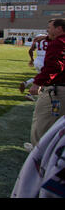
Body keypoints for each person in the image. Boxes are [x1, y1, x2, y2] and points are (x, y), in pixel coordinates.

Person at [28, 18, 65, 147]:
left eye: (50, 28)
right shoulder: (58, 41)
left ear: (59, 29)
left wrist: (38, 82)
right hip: (60, 90)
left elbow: (54, 66)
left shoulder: (58, 44)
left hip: (57, 91)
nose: (47, 30)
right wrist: (48, 37)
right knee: (57, 122)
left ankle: (39, 155)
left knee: (44, 121)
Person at [19, 34, 49, 101]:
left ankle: (27, 84)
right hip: (46, 60)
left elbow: (30, 50)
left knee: (41, 77)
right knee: (45, 78)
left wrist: (32, 60)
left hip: (37, 60)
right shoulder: (50, 40)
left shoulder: (37, 42)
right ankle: (31, 93)